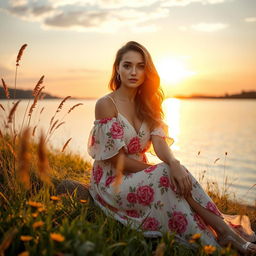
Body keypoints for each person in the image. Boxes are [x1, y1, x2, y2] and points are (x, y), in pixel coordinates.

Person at [87, 41, 256, 254]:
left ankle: (223, 232)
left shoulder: (148, 103)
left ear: (147, 72)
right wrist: (162, 171)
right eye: (127, 65)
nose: (133, 72)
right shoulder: (106, 104)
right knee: (166, 172)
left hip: (140, 175)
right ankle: (217, 240)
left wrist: (174, 163)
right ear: (117, 69)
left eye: (140, 66)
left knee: (174, 169)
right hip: (112, 180)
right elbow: (116, 160)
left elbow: (159, 144)